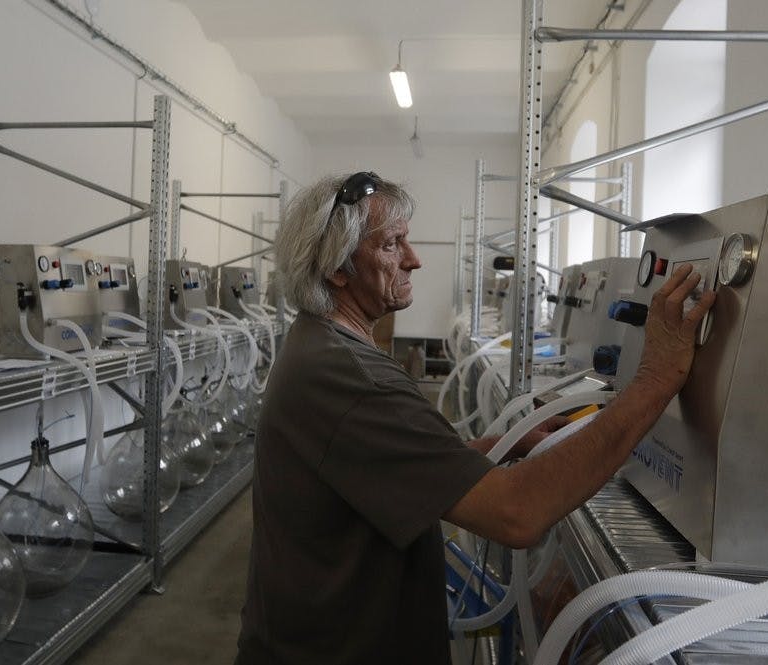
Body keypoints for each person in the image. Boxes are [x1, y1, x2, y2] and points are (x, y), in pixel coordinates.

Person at [235, 171, 715, 664]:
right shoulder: (353, 376)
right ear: (338, 268)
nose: (414, 260)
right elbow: (517, 513)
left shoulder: (321, 346)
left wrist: (508, 445)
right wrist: (655, 380)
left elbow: (390, 466)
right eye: (393, 244)